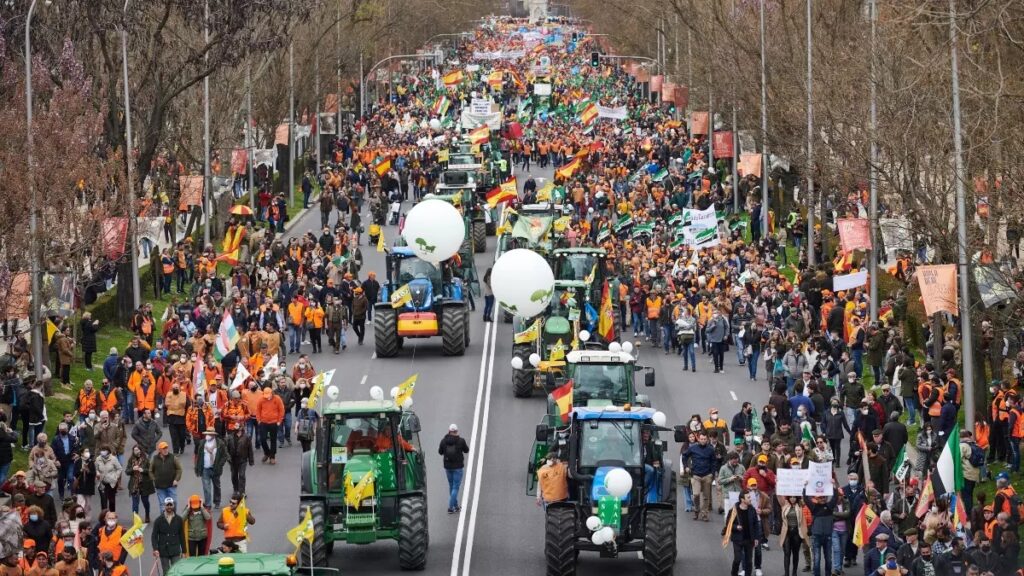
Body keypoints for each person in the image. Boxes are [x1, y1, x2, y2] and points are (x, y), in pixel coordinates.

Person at [681, 431, 719, 522]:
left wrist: (712, 474)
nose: (703, 441)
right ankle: (697, 510)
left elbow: (714, 462)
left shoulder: (710, 449)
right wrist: (686, 466)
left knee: (706, 497)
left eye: (704, 439)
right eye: (701, 439)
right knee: (696, 494)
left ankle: (704, 514)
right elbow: (684, 456)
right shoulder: (693, 448)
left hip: (707, 475)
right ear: (698, 439)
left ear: (707, 439)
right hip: (695, 475)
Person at [726, 489, 762, 576]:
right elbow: (728, 523)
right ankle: (733, 573)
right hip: (738, 539)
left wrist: (756, 538)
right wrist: (736, 527)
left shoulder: (752, 510)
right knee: (737, 559)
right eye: (748, 497)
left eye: (750, 497)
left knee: (749, 562)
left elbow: (756, 525)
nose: (750, 499)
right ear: (742, 499)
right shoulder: (734, 510)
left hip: (749, 539)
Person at [438, 423, 469, 514]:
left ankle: (455, 506)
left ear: (449, 431)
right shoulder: (461, 441)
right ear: (456, 431)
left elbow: (440, 452)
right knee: (455, 487)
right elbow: (466, 450)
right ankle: (451, 508)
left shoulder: (443, 441)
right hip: (458, 467)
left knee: (451, 486)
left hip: (448, 467)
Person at [151, 497, 185, 572]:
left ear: (173, 505)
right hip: (163, 550)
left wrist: (184, 551)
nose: (169, 506)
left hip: (175, 550)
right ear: (164, 506)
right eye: (167, 505)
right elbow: (154, 536)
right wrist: (155, 549)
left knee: (176, 571)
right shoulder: (158, 520)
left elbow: (182, 536)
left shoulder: (179, 519)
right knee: (166, 571)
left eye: (171, 504)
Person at [196, 428, 227, 509]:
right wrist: (198, 467)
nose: (207, 435)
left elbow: (225, 456)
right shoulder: (202, 443)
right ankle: (208, 504)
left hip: (215, 469)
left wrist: (220, 465)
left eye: (209, 434)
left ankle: (217, 501)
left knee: (216, 486)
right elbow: (199, 456)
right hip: (205, 469)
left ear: (213, 435)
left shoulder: (220, 443)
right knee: (206, 487)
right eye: (206, 434)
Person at [126, 444, 155, 522]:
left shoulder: (146, 459)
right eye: (135, 450)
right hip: (134, 485)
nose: (136, 451)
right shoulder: (131, 460)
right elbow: (127, 472)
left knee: (145, 501)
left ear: (140, 450)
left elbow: (150, 470)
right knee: (135, 503)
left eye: (137, 450)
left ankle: (147, 514)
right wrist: (132, 469)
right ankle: (136, 519)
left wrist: (143, 470)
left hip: (144, 484)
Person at [780, 495, 808, 576]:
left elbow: (806, 500)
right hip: (787, 532)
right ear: (788, 497)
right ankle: (786, 573)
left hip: (796, 532)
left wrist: (805, 487)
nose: (792, 499)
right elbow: (779, 496)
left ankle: (794, 572)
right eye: (791, 497)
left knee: (795, 553)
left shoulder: (800, 505)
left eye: (794, 497)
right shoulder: (785, 504)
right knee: (787, 553)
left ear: (797, 498)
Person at [225, 426, 254, 496]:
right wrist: (228, 458)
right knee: (234, 475)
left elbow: (250, 449)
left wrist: (251, 460)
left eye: (239, 427)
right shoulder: (229, 437)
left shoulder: (246, 437)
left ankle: (242, 491)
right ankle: (235, 489)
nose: (237, 428)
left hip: (242, 459)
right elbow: (226, 449)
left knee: (242, 475)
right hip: (233, 460)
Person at [94, 445, 122, 512]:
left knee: (112, 501)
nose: (103, 452)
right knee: (104, 502)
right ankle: (104, 518)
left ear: (108, 451)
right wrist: (97, 473)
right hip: (102, 483)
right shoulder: (98, 459)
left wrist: (116, 477)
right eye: (102, 450)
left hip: (111, 483)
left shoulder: (113, 459)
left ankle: (112, 516)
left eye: (104, 450)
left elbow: (119, 469)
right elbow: (95, 468)